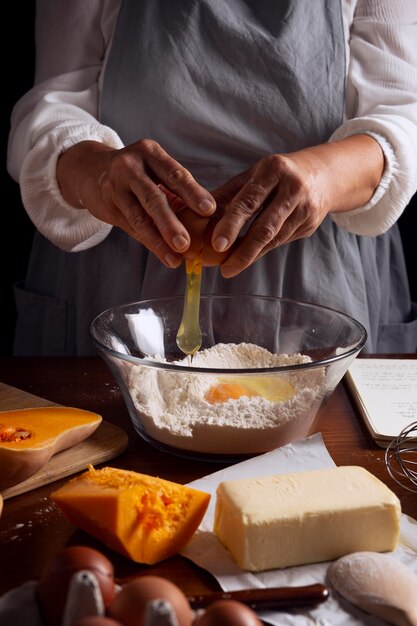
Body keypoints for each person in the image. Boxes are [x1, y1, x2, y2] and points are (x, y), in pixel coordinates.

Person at [7, 0, 417, 356]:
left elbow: (403, 118)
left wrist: (322, 177)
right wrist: (100, 172)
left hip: (316, 285)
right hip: (118, 278)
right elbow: (54, 98)